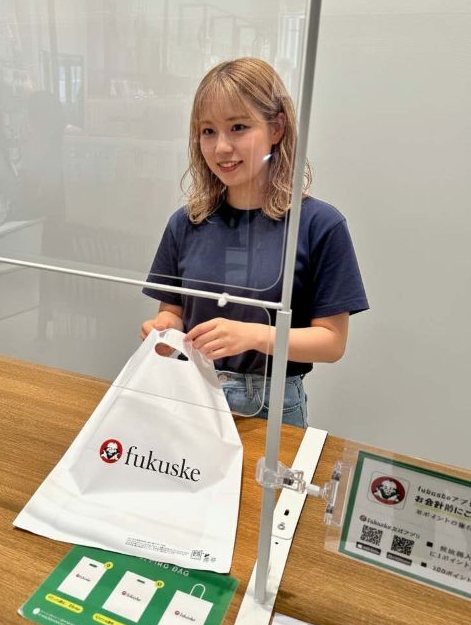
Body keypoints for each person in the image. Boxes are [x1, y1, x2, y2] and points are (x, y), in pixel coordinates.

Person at [141, 57, 368, 426]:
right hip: (190, 393)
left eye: (238, 127)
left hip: (271, 406)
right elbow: (172, 312)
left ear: (276, 128)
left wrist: (253, 335)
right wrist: (163, 330)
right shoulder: (185, 223)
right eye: (208, 131)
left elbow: (332, 343)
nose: (221, 147)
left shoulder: (319, 225)